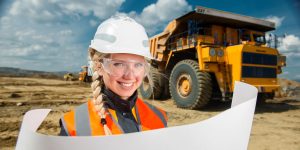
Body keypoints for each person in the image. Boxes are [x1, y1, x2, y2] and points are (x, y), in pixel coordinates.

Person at [59, 15, 167, 136]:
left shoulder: (159, 119)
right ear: (98, 66)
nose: (130, 76)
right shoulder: (74, 126)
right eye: (119, 64)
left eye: (137, 65)